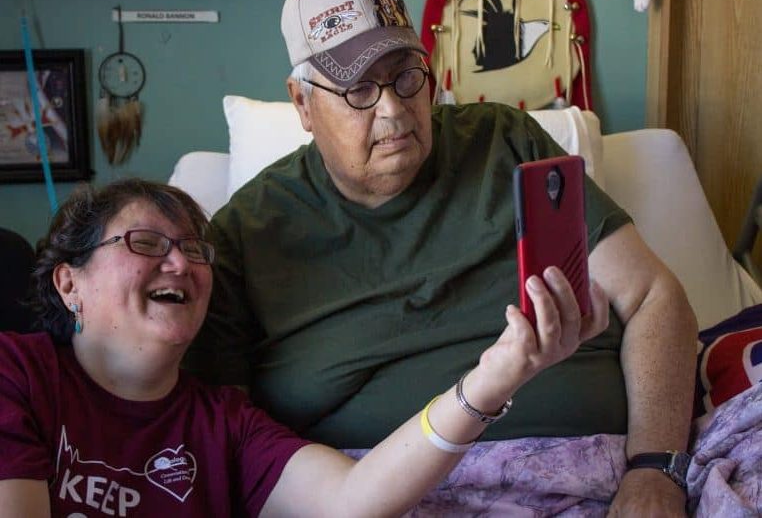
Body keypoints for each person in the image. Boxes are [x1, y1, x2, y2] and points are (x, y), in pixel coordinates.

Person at [186, 0, 698, 514]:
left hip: (602, 475)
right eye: (359, 88)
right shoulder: (245, 233)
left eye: (407, 75)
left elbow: (652, 297)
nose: (394, 109)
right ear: (303, 103)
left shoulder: (504, 143)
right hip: (380, 495)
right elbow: (219, 430)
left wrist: (656, 469)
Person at [0, 178, 605, 517]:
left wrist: (494, 378)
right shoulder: (16, 374)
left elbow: (354, 499)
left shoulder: (224, 424)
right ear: (69, 281)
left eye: (193, 248)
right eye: (146, 242)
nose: (181, 263)